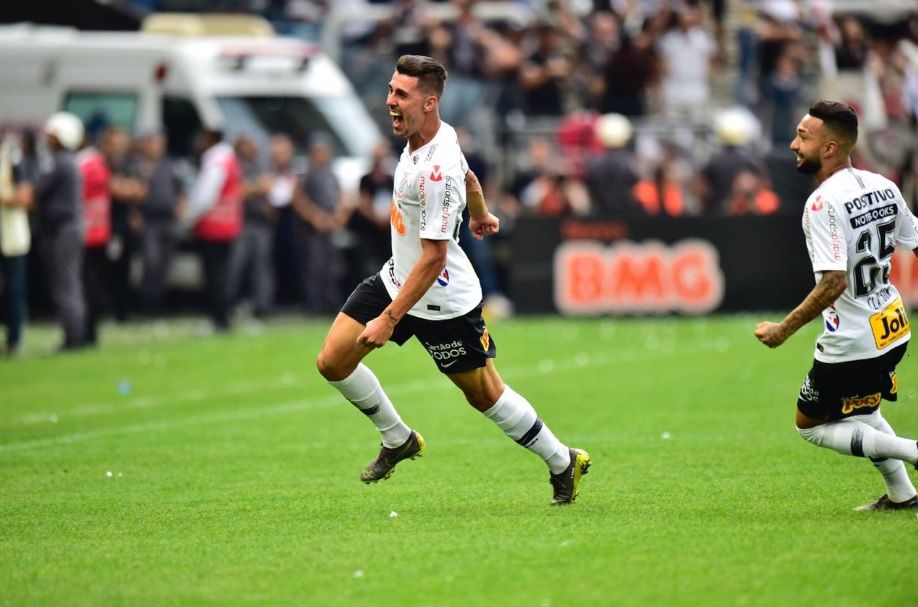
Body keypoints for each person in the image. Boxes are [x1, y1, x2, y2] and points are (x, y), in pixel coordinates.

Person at [315, 55, 591, 505]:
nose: (390, 101)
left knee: (485, 395)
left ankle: (563, 461)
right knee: (332, 362)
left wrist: (389, 319)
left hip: (442, 300)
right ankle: (398, 438)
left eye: (401, 95)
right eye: (390, 90)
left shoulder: (435, 167)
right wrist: (480, 212)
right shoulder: (438, 135)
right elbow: (469, 175)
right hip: (398, 279)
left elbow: (435, 257)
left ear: (429, 102)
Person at [755, 100, 918, 512]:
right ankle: (903, 495)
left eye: (803, 137)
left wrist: (782, 330)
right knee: (865, 414)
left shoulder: (822, 204)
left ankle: (914, 450)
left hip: (852, 340)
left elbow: (834, 282)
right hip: (892, 327)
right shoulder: (883, 185)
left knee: (809, 425)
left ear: (829, 148)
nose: (794, 145)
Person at [33, 113, 87, 351]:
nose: (47, 139)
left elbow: (36, 191)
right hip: (68, 227)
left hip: (63, 228)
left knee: (66, 281)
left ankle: (73, 335)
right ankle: (76, 331)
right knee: (70, 280)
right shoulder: (68, 161)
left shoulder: (60, 162)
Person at [186, 128, 243, 332]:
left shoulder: (215, 161)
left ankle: (218, 318)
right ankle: (223, 316)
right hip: (229, 224)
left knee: (214, 275)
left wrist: (190, 218)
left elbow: (205, 197)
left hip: (213, 226)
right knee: (223, 273)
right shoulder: (230, 158)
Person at [135, 130, 184, 318]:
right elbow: (134, 194)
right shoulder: (141, 166)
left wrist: (181, 208)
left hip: (169, 221)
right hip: (151, 221)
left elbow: (181, 190)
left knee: (165, 265)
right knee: (151, 263)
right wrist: (136, 214)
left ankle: (160, 305)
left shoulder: (172, 166)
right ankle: (148, 305)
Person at [228, 135, 275, 318]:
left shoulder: (260, 166)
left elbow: (269, 188)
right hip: (241, 222)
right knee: (236, 265)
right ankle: (229, 303)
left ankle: (263, 306)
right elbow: (239, 191)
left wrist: (257, 188)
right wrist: (257, 187)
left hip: (261, 222)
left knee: (262, 267)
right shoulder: (235, 166)